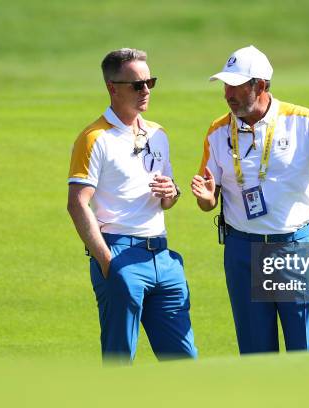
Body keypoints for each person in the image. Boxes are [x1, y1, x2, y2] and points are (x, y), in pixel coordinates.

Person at [191, 45, 309, 354]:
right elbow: (209, 197)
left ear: (259, 85)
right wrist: (207, 199)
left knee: (301, 351)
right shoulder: (218, 130)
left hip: (292, 248)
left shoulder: (300, 119)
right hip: (241, 251)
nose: (227, 94)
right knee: (255, 354)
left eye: (235, 86)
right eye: (225, 85)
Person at [67, 48, 197, 363]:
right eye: (137, 85)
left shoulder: (158, 134)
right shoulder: (94, 138)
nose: (146, 91)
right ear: (113, 87)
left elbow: (166, 199)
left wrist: (172, 192)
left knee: (184, 360)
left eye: (150, 82)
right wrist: (107, 262)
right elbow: (77, 203)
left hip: (163, 258)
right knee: (120, 360)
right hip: (119, 253)